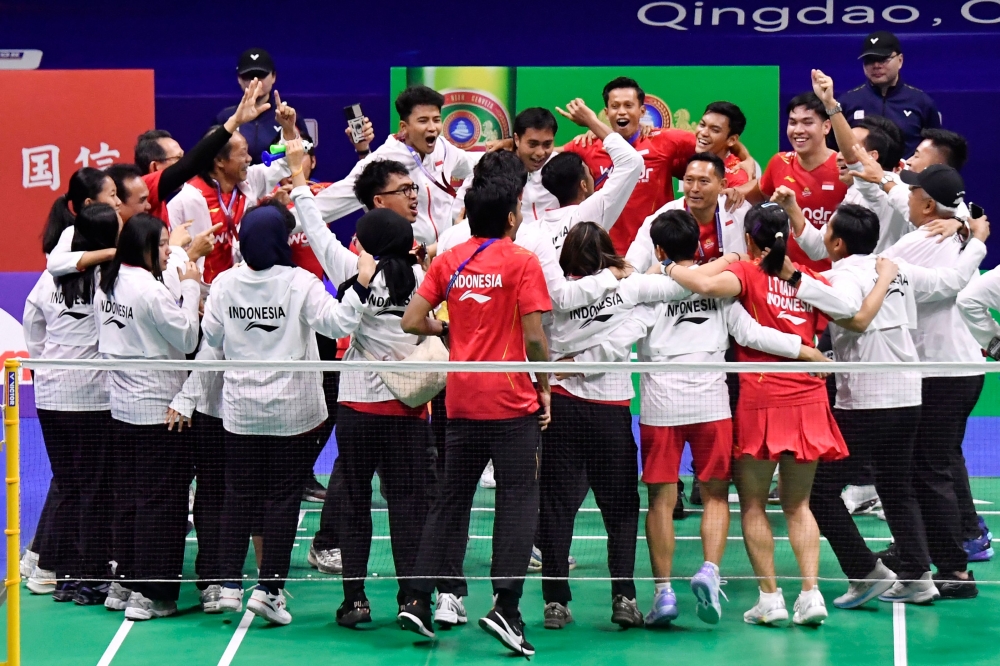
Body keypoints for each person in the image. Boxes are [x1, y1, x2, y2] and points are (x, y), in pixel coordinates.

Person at [202, 140, 376, 625]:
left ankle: (229, 585)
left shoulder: (224, 284)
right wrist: (360, 283)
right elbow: (340, 324)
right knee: (281, 499)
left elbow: (211, 336)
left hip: (240, 412)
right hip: (292, 415)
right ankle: (270, 589)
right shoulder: (299, 283)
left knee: (238, 496)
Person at [790, 200, 988, 607]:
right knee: (896, 487)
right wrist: (977, 242)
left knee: (819, 491)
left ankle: (864, 571)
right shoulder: (894, 267)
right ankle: (917, 576)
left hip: (866, 401)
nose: (824, 233)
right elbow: (951, 280)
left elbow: (848, 311)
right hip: (908, 397)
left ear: (838, 243)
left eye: (826, 228)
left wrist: (792, 277)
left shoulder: (842, 277)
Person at [666, 202, 851, 627]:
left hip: (762, 399)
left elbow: (707, 287)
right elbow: (844, 309)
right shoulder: (809, 278)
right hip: (809, 400)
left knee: (752, 504)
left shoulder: (747, 273)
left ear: (749, 240)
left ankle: (770, 598)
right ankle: (811, 593)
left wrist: (672, 267)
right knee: (799, 504)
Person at [398, 174, 551, 657]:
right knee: (517, 500)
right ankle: (506, 607)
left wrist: (450, 328)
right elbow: (533, 339)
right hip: (510, 403)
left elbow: (410, 320)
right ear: (511, 217)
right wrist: (544, 386)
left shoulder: (449, 260)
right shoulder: (522, 262)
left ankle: (418, 598)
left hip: (460, 402)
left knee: (450, 502)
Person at [877, 165, 989, 594]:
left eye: (912, 193)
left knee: (928, 469)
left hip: (942, 373)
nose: (905, 198)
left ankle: (955, 570)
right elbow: (970, 210)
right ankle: (919, 552)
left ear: (927, 204)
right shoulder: (957, 227)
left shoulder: (924, 240)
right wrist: (967, 225)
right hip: (958, 370)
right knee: (927, 466)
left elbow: (882, 275)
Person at [94, 214, 202, 620]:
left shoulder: (110, 280)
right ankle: (152, 593)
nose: (166, 252)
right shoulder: (149, 292)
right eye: (160, 246)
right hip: (161, 413)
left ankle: (124, 583)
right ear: (142, 249)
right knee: (163, 504)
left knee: (130, 499)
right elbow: (188, 337)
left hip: (122, 410)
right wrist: (189, 287)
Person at [332, 209, 432, 628]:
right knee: (408, 507)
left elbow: (340, 322)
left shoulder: (359, 282)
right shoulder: (425, 279)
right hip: (407, 406)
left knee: (354, 502)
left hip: (357, 406)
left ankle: (355, 599)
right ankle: (412, 600)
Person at [22, 203, 120, 606]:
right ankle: (92, 579)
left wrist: (48, 362)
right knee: (95, 489)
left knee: (67, 484)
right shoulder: (108, 278)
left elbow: (32, 322)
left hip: (50, 396)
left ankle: (63, 578)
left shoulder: (50, 280)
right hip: (92, 398)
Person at [314, 85, 477, 245]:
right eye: (423, 121)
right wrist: (289, 221)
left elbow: (475, 165)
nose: (432, 128)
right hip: (408, 259)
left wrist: (501, 148)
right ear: (404, 128)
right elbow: (331, 201)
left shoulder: (443, 147)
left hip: (443, 255)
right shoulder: (383, 159)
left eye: (436, 120)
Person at [166, 93, 297, 285]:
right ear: (219, 161)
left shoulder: (250, 180)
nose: (249, 159)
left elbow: (285, 164)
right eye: (243, 153)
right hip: (203, 297)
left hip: (243, 289)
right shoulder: (185, 201)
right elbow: (168, 259)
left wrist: (288, 129)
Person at [560, 77, 699, 254]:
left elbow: (715, 144)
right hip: (606, 253)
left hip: (655, 251)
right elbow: (544, 157)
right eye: (615, 106)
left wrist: (745, 160)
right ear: (606, 112)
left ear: (642, 111)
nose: (622, 112)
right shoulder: (587, 145)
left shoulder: (664, 141)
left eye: (628, 105)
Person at [526, 96, 642, 253]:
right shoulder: (590, 214)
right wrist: (591, 121)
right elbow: (631, 161)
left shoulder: (531, 231)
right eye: (589, 172)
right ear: (583, 185)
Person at [753, 92, 848, 272]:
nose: (798, 130)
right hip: (785, 276)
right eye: (792, 122)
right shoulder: (778, 162)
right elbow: (760, 195)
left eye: (807, 122)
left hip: (831, 277)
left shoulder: (844, 170)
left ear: (826, 127)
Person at [628, 152, 749, 273]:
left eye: (703, 181)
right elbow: (634, 264)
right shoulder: (661, 220)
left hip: (726, 290)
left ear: (722, 185)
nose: (694, 188)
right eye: (689, 180)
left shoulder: (739, 211)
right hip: (675, 290)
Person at [839, 31, 941, 156]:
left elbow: (935, 152)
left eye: (883, 59)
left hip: (907, 174)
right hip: (859, 174)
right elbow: (833, 149)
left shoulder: (922, 102)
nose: (876, 66)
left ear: (900, 60)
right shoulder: (848, 102)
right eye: (870, 60)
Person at [215, 48, 308, 164]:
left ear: (273, 76)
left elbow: (306, 157)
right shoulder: (225, 118)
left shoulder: (289, 117)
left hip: (281, 181)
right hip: (237, 181)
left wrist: (290, 130)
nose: (255, 81)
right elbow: (212, 160)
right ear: (239, 79)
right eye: (248, 76)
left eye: (261, 75)